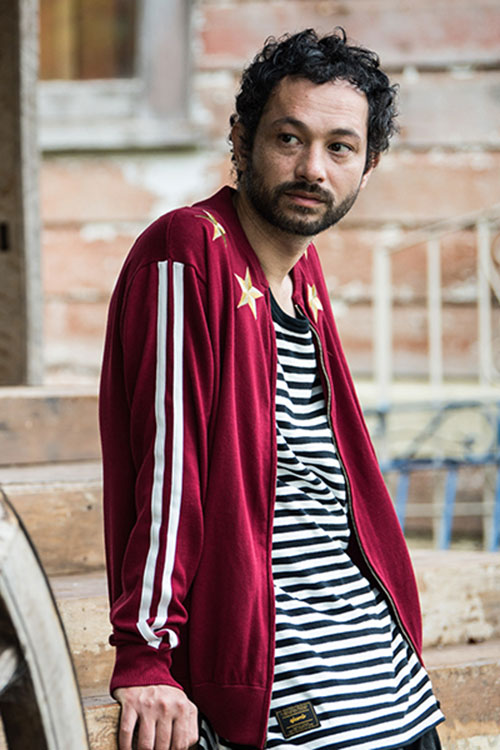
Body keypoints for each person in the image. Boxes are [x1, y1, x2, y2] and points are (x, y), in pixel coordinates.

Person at [99, 28, 444, 750]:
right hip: (295, 706)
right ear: (241, 139)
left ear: (367, 167)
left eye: (340, 148)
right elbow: (169, 469)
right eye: (289, 138)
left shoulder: (302, 275)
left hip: (399, 695)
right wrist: (146, 654)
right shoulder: (187, 251)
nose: (312, 168)